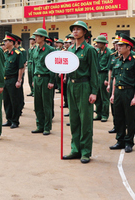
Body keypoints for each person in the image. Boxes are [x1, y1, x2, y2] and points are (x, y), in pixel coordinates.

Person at [63, 21, 98, 163]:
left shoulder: (89, 50)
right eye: (74, 29)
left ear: (85, 32)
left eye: (79, 29)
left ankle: (85, 151)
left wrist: (94, 91)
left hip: (84, 86)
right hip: (71, 86)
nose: (75, 31)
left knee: (85, 120)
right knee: (74, 119)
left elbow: (94, 72)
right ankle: (75, 149)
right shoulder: (70, 50)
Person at [110, 35, 135, 153]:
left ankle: (129, 142)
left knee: (130, 119)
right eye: (118, 45)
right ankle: (120, 140)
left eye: (122, 45)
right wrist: (113, 94)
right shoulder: (117, 60)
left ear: (129, 47)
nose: (118, 47)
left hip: (129, 91)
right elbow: (114, 78)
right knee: (118, 117)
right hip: (118, 91)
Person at [30, 28, 56, 136]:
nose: (35, 38)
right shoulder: (35, 49)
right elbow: (34, 65)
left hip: (46, 78)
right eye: (35, 36)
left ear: (43, 38)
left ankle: (47, 127)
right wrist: (33, 79)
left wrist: (51, 81)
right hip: (37, 78)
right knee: (38, 103)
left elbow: (53, 67)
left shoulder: (50, 50)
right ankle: (39, 125)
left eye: (37, 36)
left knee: (47, 104)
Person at [2, 32, 26, 129]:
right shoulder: (5, 53)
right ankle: (9, 119)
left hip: (13, 79)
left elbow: (21, 68)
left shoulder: (17, 54)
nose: (5, 43)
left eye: (6, 41)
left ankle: (15, 120)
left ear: (12, 42)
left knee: (14, 101)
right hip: (5, 80)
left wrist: (19, 80)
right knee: (6, 101)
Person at [94, 35, 112, 122]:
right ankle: (98, 113)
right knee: (97, 95)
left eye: (99, 43)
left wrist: (107, 79)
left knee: (104, 96)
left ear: (103, 43)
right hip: (97, 75)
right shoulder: (97, 52)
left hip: (104, 74)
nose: (97, 44)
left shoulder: (108, 52)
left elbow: (109, 67)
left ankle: (105, 114)